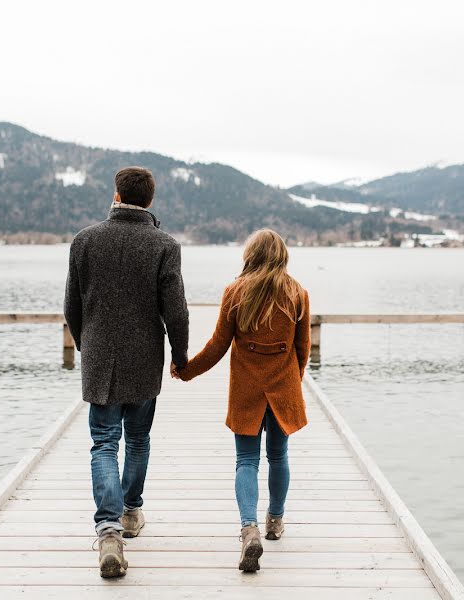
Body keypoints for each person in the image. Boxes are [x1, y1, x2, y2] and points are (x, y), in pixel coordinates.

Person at [64, 166, 189, 578]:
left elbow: (71, 308)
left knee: (103, 442)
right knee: (137, 438)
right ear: (150, 201)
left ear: (116, 195)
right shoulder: (164, 245)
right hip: (144, 358)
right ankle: (131, 512)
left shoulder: (84, 241)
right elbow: (176, 311)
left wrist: (88, 346)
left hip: (100, 356)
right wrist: (180, 355)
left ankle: (108, 531)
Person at [173, 229, 310, 572]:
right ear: (282, 256)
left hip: (247, 389)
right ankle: (275, 521)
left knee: (246, 461)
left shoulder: (236, 292)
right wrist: (292, 382)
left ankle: (249, 527)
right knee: (278, 457)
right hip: (283, 388)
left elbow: (218, 346)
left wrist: (187, 370)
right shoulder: (298, 294)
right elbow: (302, 351)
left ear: (250, 255)